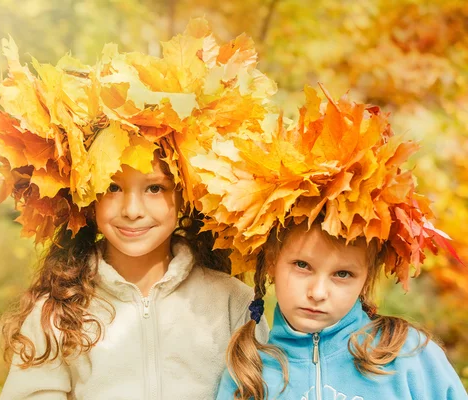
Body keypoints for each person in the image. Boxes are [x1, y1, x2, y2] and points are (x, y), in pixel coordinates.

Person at [0, 19, 275, 400]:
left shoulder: (231, 301)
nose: (132, 210)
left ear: (185, 192)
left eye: (154, 188)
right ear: (87, 195)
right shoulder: (59, 310)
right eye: (112, 187)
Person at [189, 84, 467, 399]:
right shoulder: (249, 374)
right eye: (302, 265)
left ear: (366, 277)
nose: (318, 293)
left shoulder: (409, 358)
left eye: (343, 274)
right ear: (270, 262)